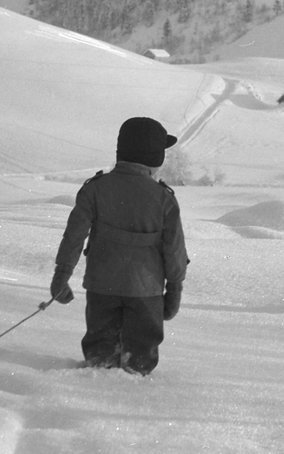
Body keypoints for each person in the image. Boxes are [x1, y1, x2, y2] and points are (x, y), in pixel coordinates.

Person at [50, 117, 188, 374]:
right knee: (140, 363)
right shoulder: (163, 199)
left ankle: (92, 394)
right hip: (146, 293)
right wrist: (175, 289)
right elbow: (175, 250)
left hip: (102, 288)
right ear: (154, 157)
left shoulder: (95, 189)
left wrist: (61, 276)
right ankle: (130, 397)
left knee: (99, 358)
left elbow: (74, 236)